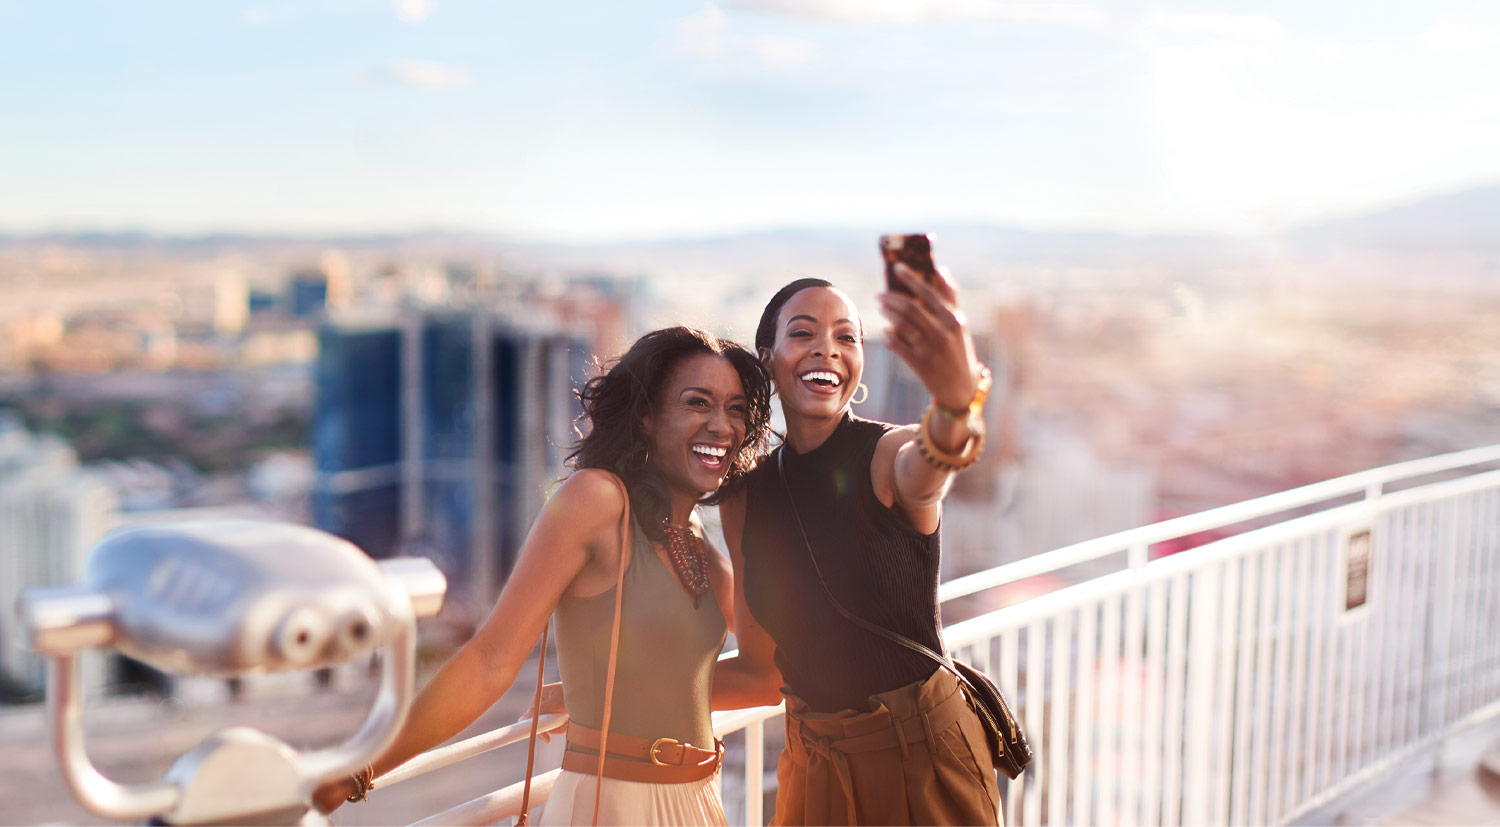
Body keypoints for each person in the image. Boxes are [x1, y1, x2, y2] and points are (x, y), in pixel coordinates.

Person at [313, 326, 774, 826]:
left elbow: (766, 677)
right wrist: (358, 768)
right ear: (645, 416)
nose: (721, 425)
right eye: (698, 403)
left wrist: (610, 691)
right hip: (616, 806)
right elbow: (489, 659)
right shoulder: (595, 499)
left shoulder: (694, 536)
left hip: (699, 804)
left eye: (735, 409)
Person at [719, 265, 1003, 825]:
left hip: (921, 759)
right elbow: (760, 673)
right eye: (802, 333)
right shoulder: (747, 496)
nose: (827, 349)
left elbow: (936, 462)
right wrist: (606, 692)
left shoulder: (888, 454)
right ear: (768, 358)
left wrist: (954, 402)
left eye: (847, 336)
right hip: (813, 768)